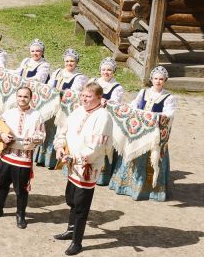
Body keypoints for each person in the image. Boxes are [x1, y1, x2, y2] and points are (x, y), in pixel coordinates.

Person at [53, 82, 113, 255]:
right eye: (83, 95)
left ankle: (77, 241)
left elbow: (96, 147)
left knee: (81, 205)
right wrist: (60, 146)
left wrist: (77, 158)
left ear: (99, 98)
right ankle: (71, 230)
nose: (84, 99)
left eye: (89, 96)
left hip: (87, 167)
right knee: (71, 199)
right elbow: (63, 130)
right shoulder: (78, 110)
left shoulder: (103, 117)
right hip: (72, 164)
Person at [110, 66, 175, 201]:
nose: (158, 81)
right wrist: (132, 110)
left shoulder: (168, 97)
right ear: (151, 79)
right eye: (155, 78)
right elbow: (134, 105)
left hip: (153, 135)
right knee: (132, 155)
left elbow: (169, 113)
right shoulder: (144, 92)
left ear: (165, 80)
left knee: (150, 160)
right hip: (139, 132)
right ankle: (126, 186)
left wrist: (155, 116)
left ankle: (148, 191)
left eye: (161, 79)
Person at [0, 86, 45, 228]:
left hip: (23, 159)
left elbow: (41, 135)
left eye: (25, 96)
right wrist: (2, 135)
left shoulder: (37, 115)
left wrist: (33, 139)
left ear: (31, 98)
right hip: (6, 155)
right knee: (2, 185)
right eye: (20, 96)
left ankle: (20, 215)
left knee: (21, 189)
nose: (22, 99)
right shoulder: (8, 113)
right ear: (16, 97)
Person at [35, 48, 87, 168]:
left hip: (64, 108)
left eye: (72, 61)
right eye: (67, 61)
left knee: (58, 131)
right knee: (46, 128)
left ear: (76, 62)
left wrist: (61, 93)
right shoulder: (58, 72)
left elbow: (74, 92)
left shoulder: (79, 77)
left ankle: (52, 160)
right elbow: (50, 85)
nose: (69, 63)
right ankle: (41, 157)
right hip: (52, 105)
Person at [92, 58, 125, 186]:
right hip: (91, 115)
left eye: (109, 70)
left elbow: (115, 103)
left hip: (106, 118)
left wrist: (106, 102)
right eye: (104, 69)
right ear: (100, 70)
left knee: (102, 141)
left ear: (113, 71)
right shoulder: (94, 82)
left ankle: (102, 175)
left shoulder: (117, 87)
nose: (106, 72)